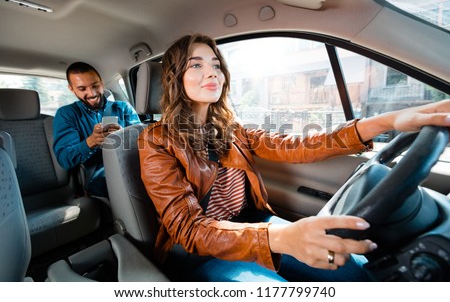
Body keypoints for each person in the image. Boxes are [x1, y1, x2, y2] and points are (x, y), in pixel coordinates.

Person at [137, 34, 450, 282]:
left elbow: (298, 145)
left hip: (255, 227)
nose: (212, 73)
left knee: (352, 273)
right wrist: (281, 236)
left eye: (216, 64)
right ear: (175, 77)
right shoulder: (156, 139)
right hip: (202, 254)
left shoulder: (232, 130)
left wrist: (386, 122)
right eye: (196, 65)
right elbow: (190, 230)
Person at [53, 61, 141, 197]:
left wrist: (124, 135)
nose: (92, 93)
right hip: (98, 175)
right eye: (82, 89)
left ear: (102, 82)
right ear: (71, 89)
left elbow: (142, 144)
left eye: (95, 86)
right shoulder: (66, 114)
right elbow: (64, 159)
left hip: (132, 165)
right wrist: (91, 142)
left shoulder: (123, 108)